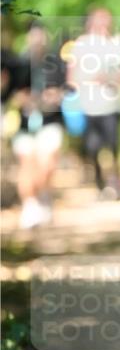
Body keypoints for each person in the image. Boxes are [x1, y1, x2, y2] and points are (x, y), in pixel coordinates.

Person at [67, 8, 120, 199]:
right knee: (93, 148)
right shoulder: (81, 44)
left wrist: (114, 79)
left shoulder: (117, 43)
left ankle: (116, 183)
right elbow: (72, 74)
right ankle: (99, 185)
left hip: (111, 104)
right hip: (89, 105)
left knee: (113, 146)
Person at [9, 23, 67, 228]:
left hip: (51, 121)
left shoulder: (56, 63)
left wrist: (52, 97)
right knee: (27, 165)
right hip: (26, 124)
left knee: (47, 163)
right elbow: (11, 94)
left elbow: (66, 89)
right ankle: (30, 204)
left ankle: (43, 196)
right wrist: (26, 100)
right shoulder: (19, 64)